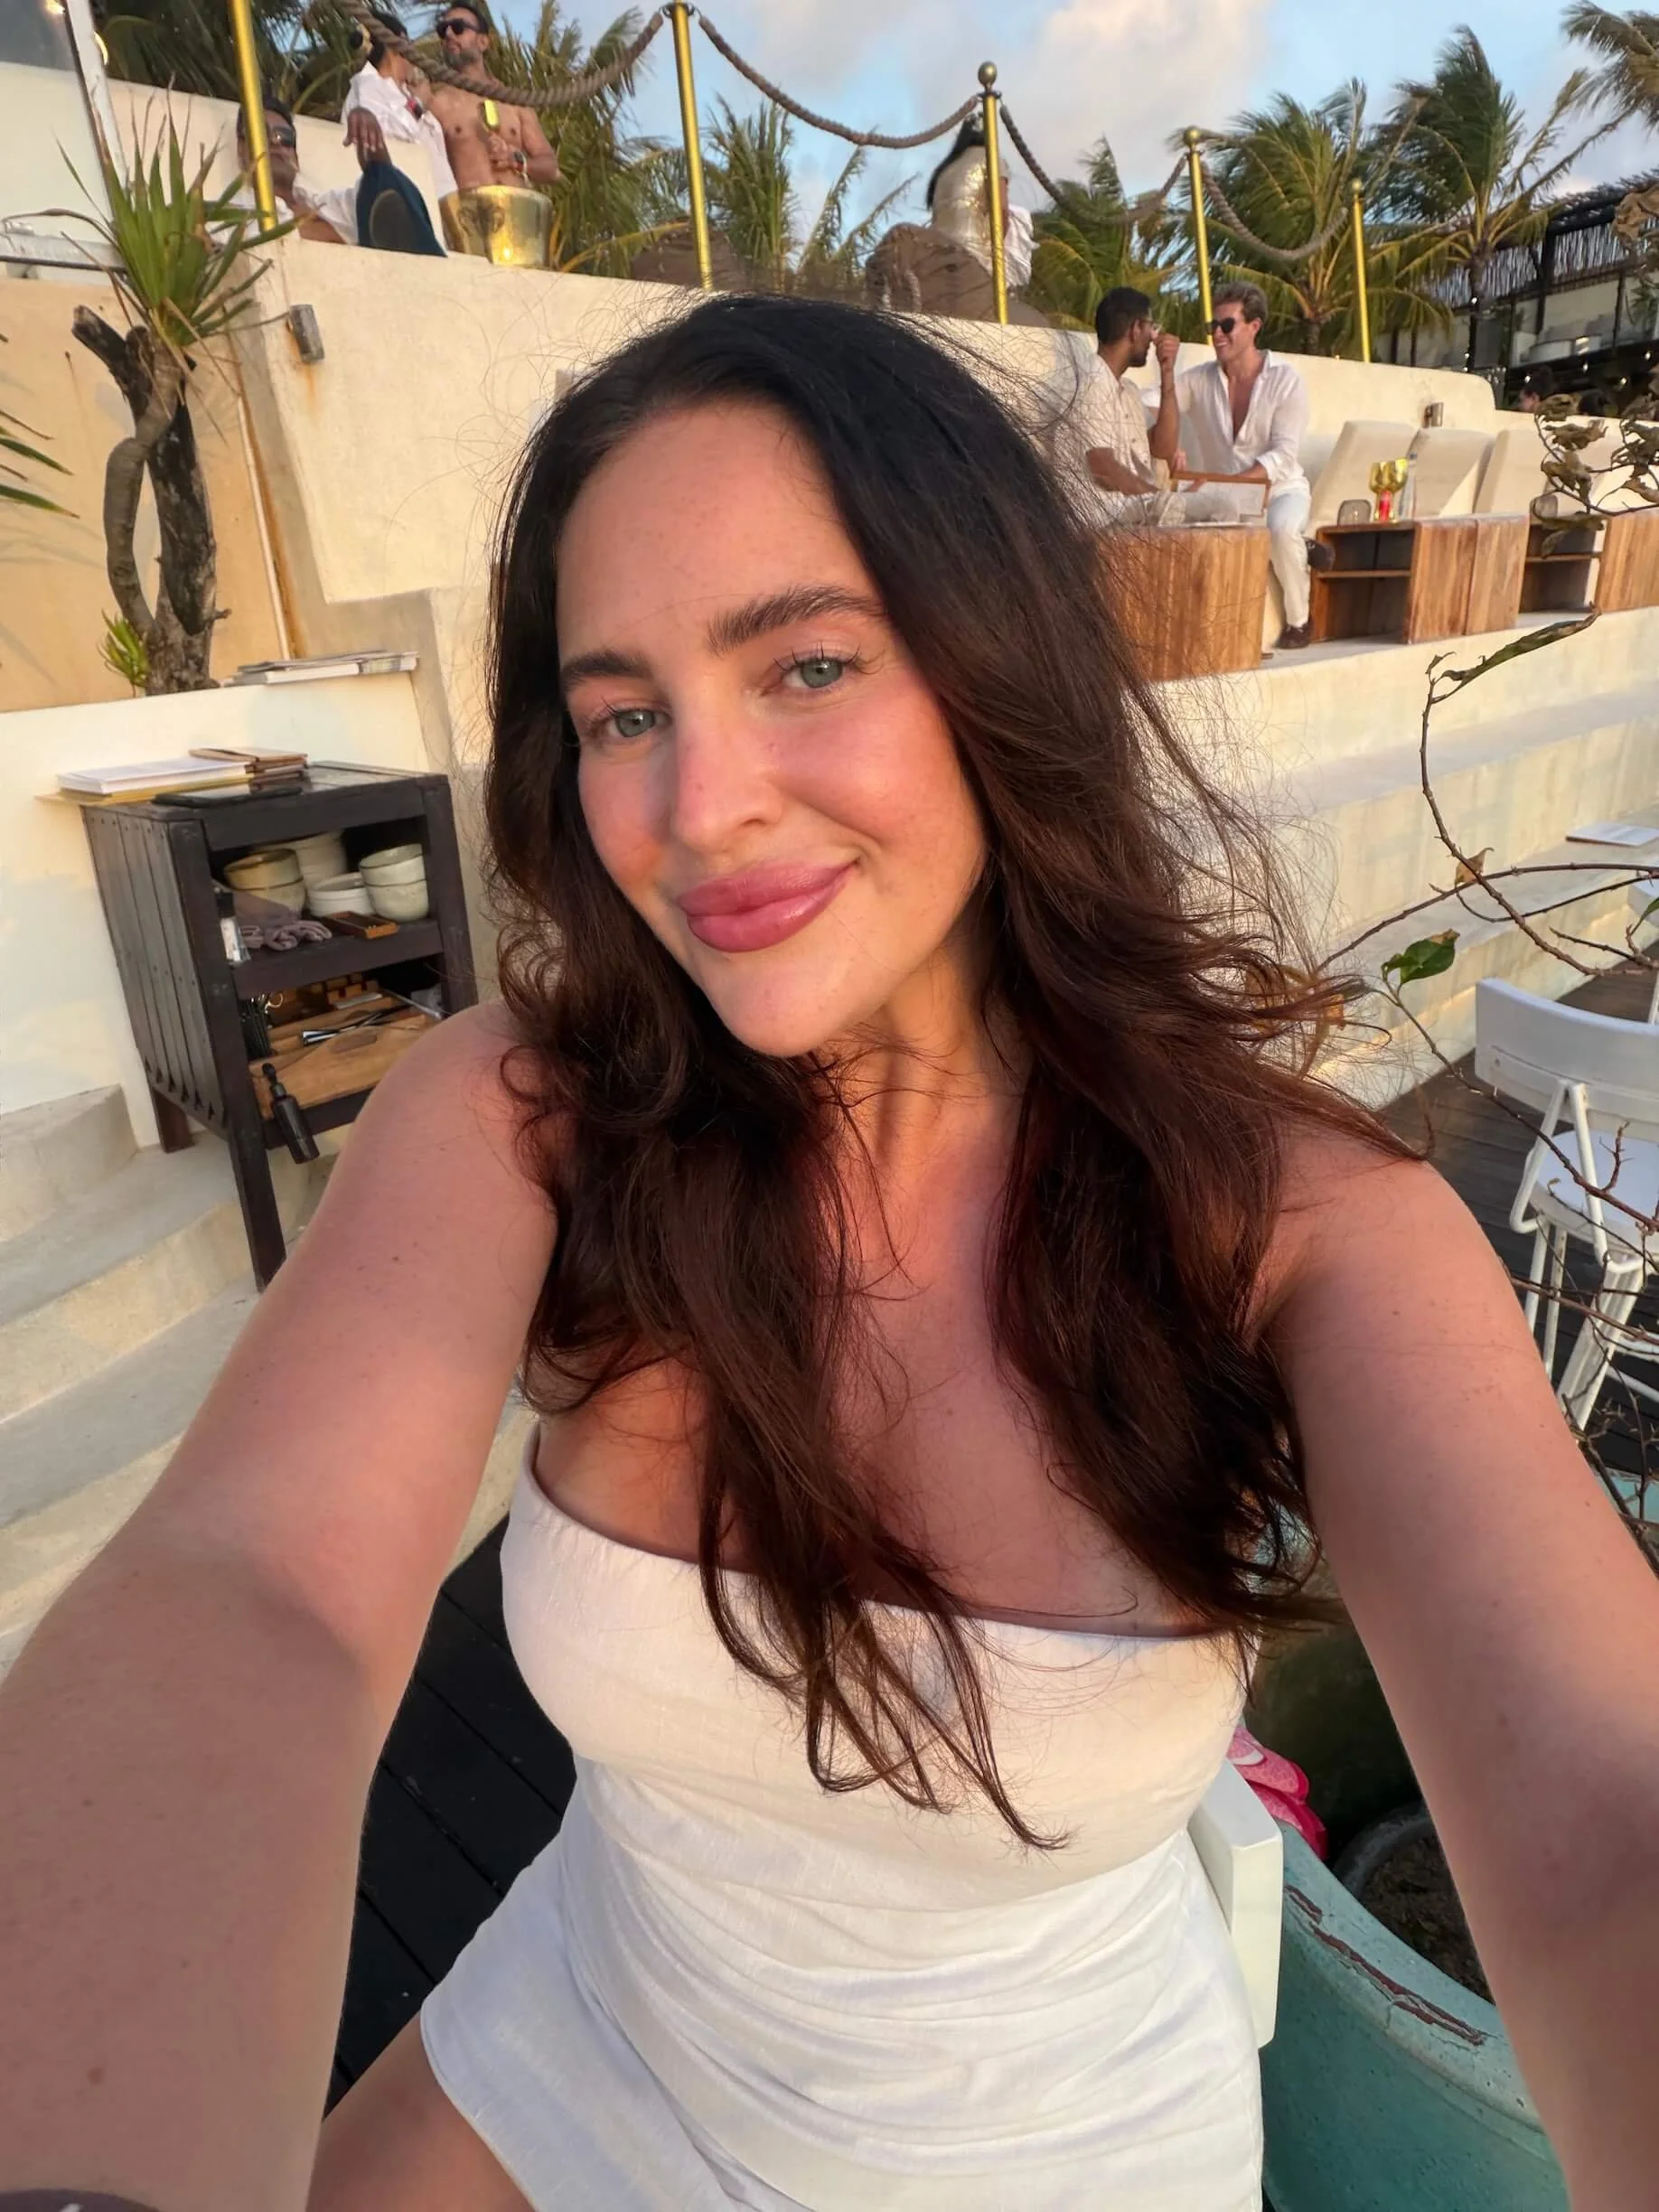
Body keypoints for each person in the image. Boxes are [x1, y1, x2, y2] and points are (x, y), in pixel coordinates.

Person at [3, 295, 1657, 2212]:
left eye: (805, 664)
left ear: (994, 665)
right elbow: (249, 1588)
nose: (698, 810)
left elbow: (1606, 1819)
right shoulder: (537, 1122)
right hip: (596, 2018)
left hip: (1041, 2151)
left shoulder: (1295, 1231)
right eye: (623, 714)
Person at [1167, 281, 1319, 648]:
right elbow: (1154, 406)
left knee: (1281, 530)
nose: (1217, 335)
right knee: (1173, 521)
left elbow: (1284, 453)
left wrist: (1235, 485)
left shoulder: (1286, 381)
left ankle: (1300, 621)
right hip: (1226, 497)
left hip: (1281, 490)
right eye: (1213, 326)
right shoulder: (1198, 379)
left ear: (1254, 327)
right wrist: (1166, 441)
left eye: (1227, 325)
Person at [1054, 285, 1237, 524]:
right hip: (1102, 514)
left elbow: (1163, 449)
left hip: (1133, 508)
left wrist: (1167, 372)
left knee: (1220, 503)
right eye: (1152, 326)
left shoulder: (1127, 390)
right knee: (1221, 507)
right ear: (1136, 328)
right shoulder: (1091, 379)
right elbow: (1103, 468)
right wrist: (1161, 499)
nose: (1154, 337)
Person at [427, 1, 561, 193]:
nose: (448, 34)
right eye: (442, 30)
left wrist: (516, 161)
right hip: (469, 209)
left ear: (483, 42)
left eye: (458, 28)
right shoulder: (438, 104)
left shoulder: (515, 103)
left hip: (517, 208)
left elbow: (551, 169)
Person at [341, 5, 459, 208]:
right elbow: (387, 137)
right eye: (409, 43)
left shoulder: (405, 93)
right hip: (409, 205)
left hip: (443, 202)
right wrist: (418, 105)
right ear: (398, 44)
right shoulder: (368, 87)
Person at [235, 97, 353, 245]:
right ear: (241, 149)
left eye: (284, 136)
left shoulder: (325, 203)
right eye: (261, 134)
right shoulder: (233, 215)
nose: (275, 141)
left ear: (295, 156)